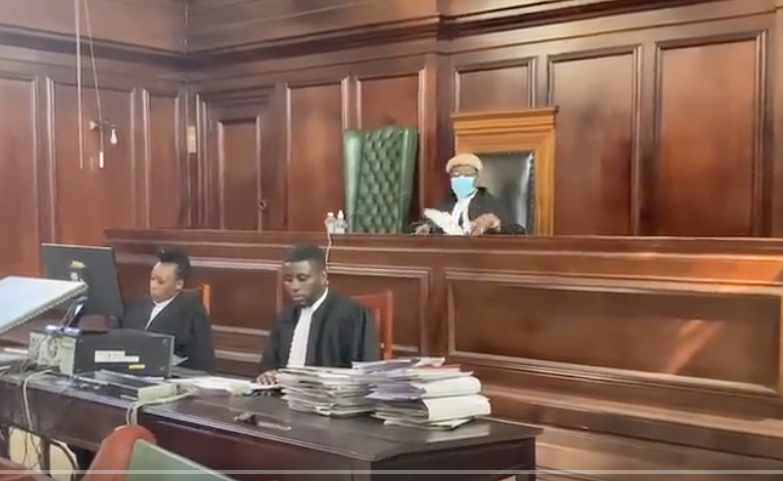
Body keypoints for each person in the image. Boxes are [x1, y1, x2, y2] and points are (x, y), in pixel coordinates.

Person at [70, 247, 215, 478]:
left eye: (161, 281)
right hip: (125, 383)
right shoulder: (139, 303)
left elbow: (203, 364)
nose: (153, 285)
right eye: (152, 278)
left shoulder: (192, 311)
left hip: (163, 394)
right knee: (83, 421)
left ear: (178, 285)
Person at [256, 242, 380, 385]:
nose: (294, 287)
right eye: (288, 280)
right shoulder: (285, 316)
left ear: (322, 277)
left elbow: (367, 374)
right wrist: (267, 375)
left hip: (331, 397)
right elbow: (268, 366)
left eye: (302, 278)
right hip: (283, 393)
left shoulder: (353, 315)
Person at [414, 153, 524, 236]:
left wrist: (496, 223)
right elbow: (421, 223)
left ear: (477, 178)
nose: (461, 178)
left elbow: (518, 231)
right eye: (456, 175)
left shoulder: (490, 202)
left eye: (467, 175)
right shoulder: (445, 202)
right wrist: (426, 228)